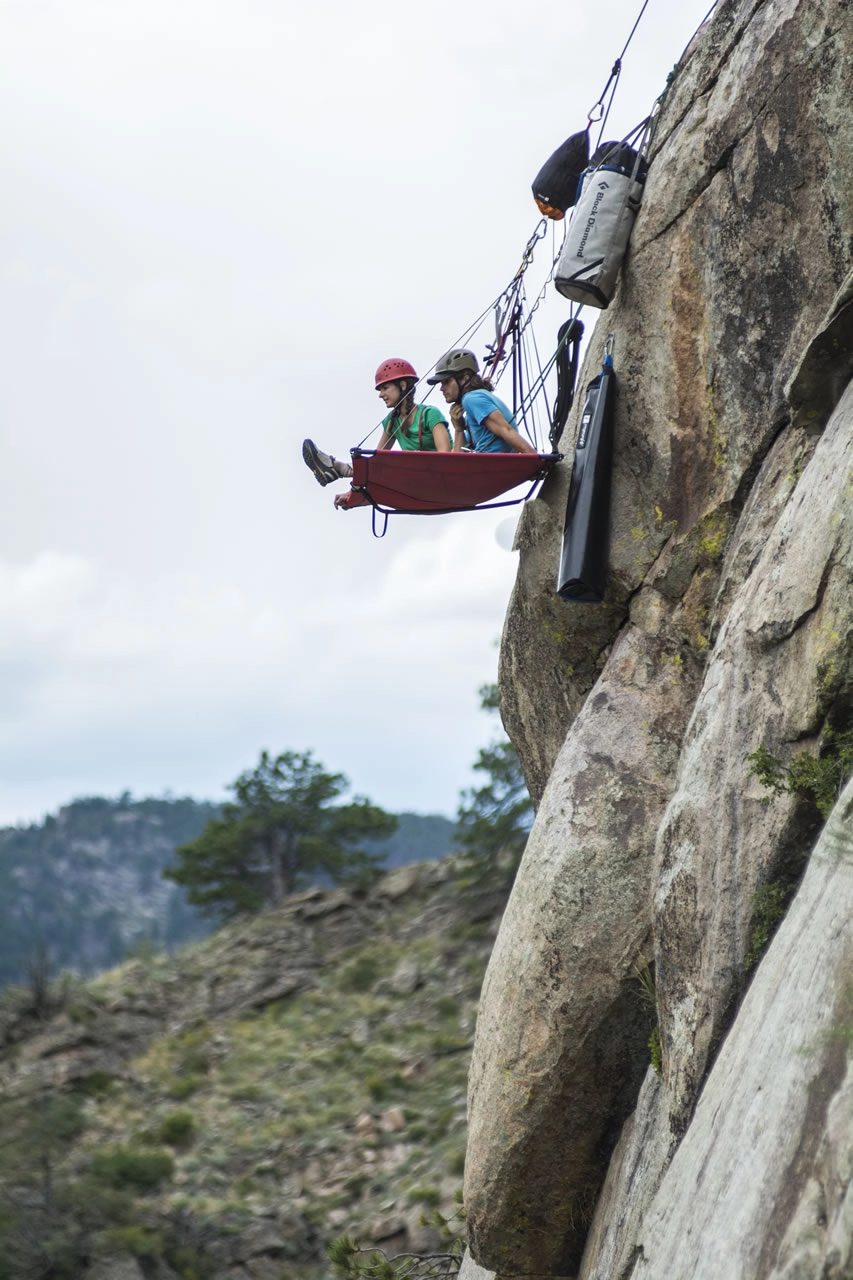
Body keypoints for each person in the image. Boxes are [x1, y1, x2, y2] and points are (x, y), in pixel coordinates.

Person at [303, 358, 451, 507]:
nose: (380, 394)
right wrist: (351, 495)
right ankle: (338, 469)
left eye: (385, 388)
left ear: (403, 385)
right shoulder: (392, 421)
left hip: (442, 477)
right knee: (380, 464)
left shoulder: (430, 414)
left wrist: (419, 459)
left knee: (395, 463)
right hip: (417, 482)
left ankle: (339, 468)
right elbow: (377, 463)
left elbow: (446, 457)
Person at [426, 349, 537, 455]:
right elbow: (457, 461)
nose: (442, 388)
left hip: (490, 465)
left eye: (446, 382)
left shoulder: (471, 399)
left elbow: (505, 430)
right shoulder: (473, 405)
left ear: (465, 378)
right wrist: (459, 429)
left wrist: (534, 458)